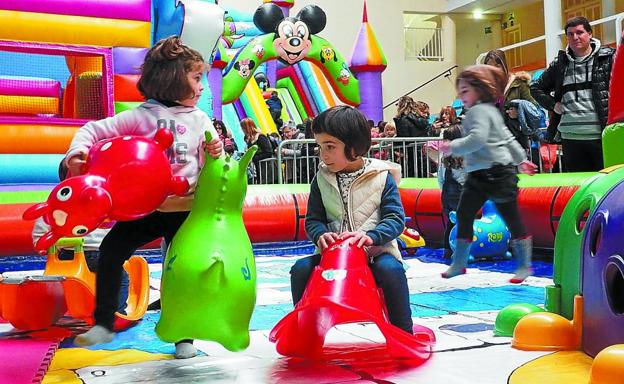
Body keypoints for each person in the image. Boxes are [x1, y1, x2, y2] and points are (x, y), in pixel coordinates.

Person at [68, 36, 223, 359]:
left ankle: (184, 335)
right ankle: (104, 322)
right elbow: (91, 131)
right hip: (149, 208)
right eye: (196, 78)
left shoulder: (199, 119)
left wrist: (216, 151)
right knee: (111, 250)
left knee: (182, 270)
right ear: (173, 78)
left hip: (186, 210)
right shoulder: (140, 116)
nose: (202, 87)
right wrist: (77, 154)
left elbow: (215, 164)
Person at [290, 105, 413, 334]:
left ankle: (403, 332)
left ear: (354, 147)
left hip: (374, 255)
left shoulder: (381, 177)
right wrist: (320, 234)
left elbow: (395, 218)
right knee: (300, 269)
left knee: (392, 271)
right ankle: (305, 331)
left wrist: (371, 237)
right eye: (319, 146)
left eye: (330, 147)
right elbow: (313, 219)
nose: (323, 154)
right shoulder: (321, 179)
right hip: (333, 257)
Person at [438, 65, 537, 283]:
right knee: (468, 213)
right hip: (482, 174)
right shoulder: (489, 110)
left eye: (465, 91)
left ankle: (521, 264)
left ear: (479, 90)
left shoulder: (478, 112)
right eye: (460, 92)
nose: (461, 96)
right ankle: (461, 261)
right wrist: (521, 160)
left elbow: (478, 139)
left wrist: (451, 146)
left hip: (496, 173)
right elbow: (507, 138)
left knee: (504, 216)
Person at [32, 160, 129, 312]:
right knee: (120, 277)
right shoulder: (101, 200)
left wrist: (48, 249)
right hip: (98, 254)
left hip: (65, 256)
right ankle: (117, 311)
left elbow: (39, 236)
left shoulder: (54, 202)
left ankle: (58, 305)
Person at [530, 16, 615, 172]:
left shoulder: (609, 58)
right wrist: (553, 105)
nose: (575, 37)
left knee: (606, 187)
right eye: (570, 34)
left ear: (590, 34)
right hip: (570, 139)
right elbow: (535, 87)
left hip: (602, 136)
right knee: (578, 189)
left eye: (580, 32)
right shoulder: (560, 64)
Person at [436, 125, 465, 258]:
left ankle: (448, 249)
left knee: (451, 222)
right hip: (460, 192)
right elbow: (464, 177)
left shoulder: (445, 155)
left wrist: (443, 191)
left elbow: (441, 177)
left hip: (447, 194)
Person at [241, 117, 275, 183]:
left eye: (243, 128)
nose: (242, 130)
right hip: (259, 168)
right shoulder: (250, 139)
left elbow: (268, 152)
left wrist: (255, 158)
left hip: (268, 168)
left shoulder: (260, 137)